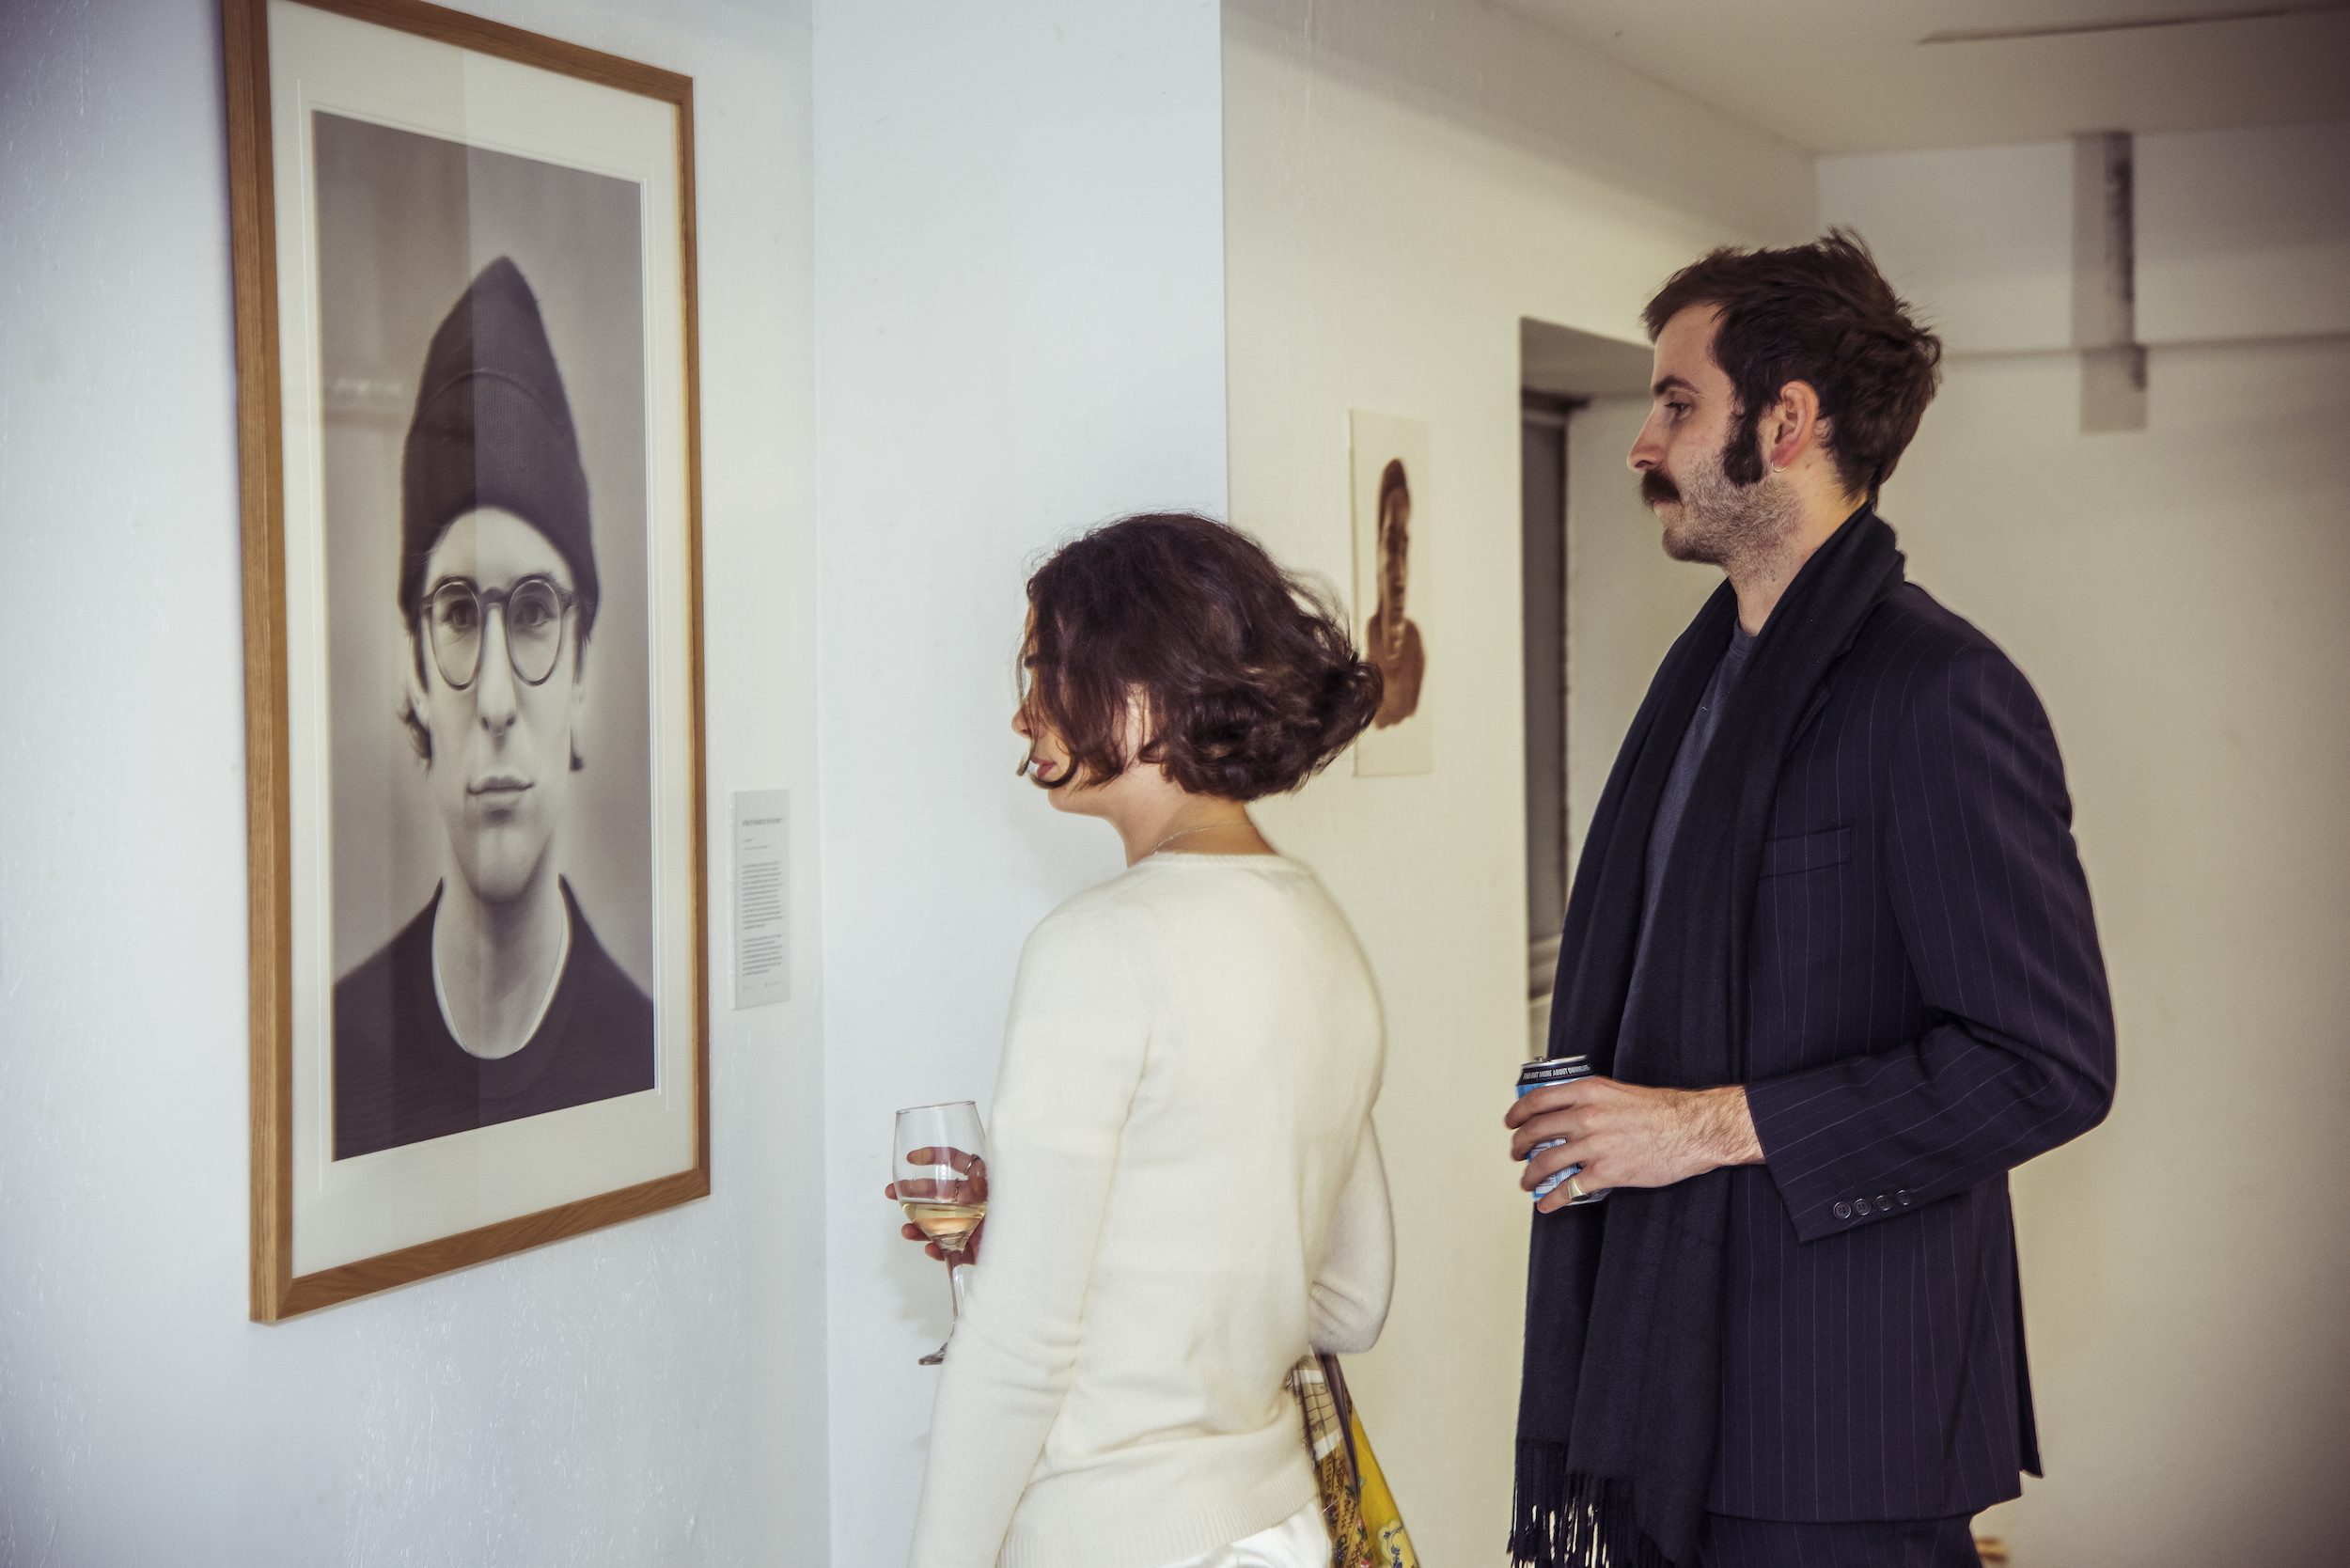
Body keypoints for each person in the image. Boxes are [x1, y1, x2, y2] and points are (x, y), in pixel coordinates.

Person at [1502, 232, 2115, 1568]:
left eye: (1676, 402)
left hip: (1837, 1427)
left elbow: (2048, 1066)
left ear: (1784, 424)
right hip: (1674, 1398)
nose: (1641, 442)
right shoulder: (1704, 686)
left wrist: (1701, 1129)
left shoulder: (1938, 692)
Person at [893, 513, 1395, 1568]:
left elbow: (1022, 1348)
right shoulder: (1320, 932)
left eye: (1045, 672)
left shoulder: (1096, 949)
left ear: (1142, 692)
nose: (1023, 713)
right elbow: (1351, 1299)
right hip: (1275, 1526)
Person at [333, 256, 653, 1160]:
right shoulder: (332, 1057)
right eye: (462, 616)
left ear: (583, 668)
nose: (500, 701)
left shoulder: (649, 1060)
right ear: (414, 675)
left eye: (539, 612)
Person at [1364, 458, 1425, 728]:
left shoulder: (1415, 647)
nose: (1399, 574)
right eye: (1390, 545)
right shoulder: (1362, 647)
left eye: (1405, 548)